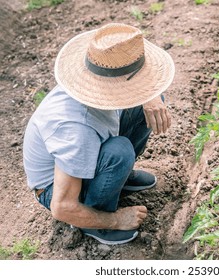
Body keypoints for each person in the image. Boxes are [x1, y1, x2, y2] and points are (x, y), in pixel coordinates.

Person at [23, 23, 175, 245]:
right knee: (119, 151)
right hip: (57, 190)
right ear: (115, 85)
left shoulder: (97, 82)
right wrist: (115, 220)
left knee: (151, 103)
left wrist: (148, 95)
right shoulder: (77, 130)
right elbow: (62, 207)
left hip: (85, 151)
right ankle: (96, 217)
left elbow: (139, 91)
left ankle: (118, 179)